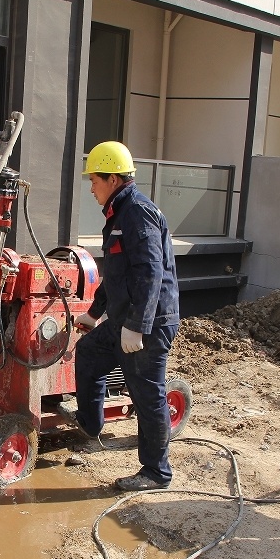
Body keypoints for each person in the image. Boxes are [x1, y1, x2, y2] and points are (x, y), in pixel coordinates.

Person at [61, 141, 180, 492]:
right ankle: (89, 424)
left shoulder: (138, 213)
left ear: (112, 179)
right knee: (89, 352)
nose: (91, 188)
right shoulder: (118, 213)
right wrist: (93, 314)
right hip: (122, 318)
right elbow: (116, 275)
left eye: (94, 180)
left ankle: (156, 473)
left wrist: (137, 327)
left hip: (149, 323)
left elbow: (150, 272)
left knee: (147, 395)